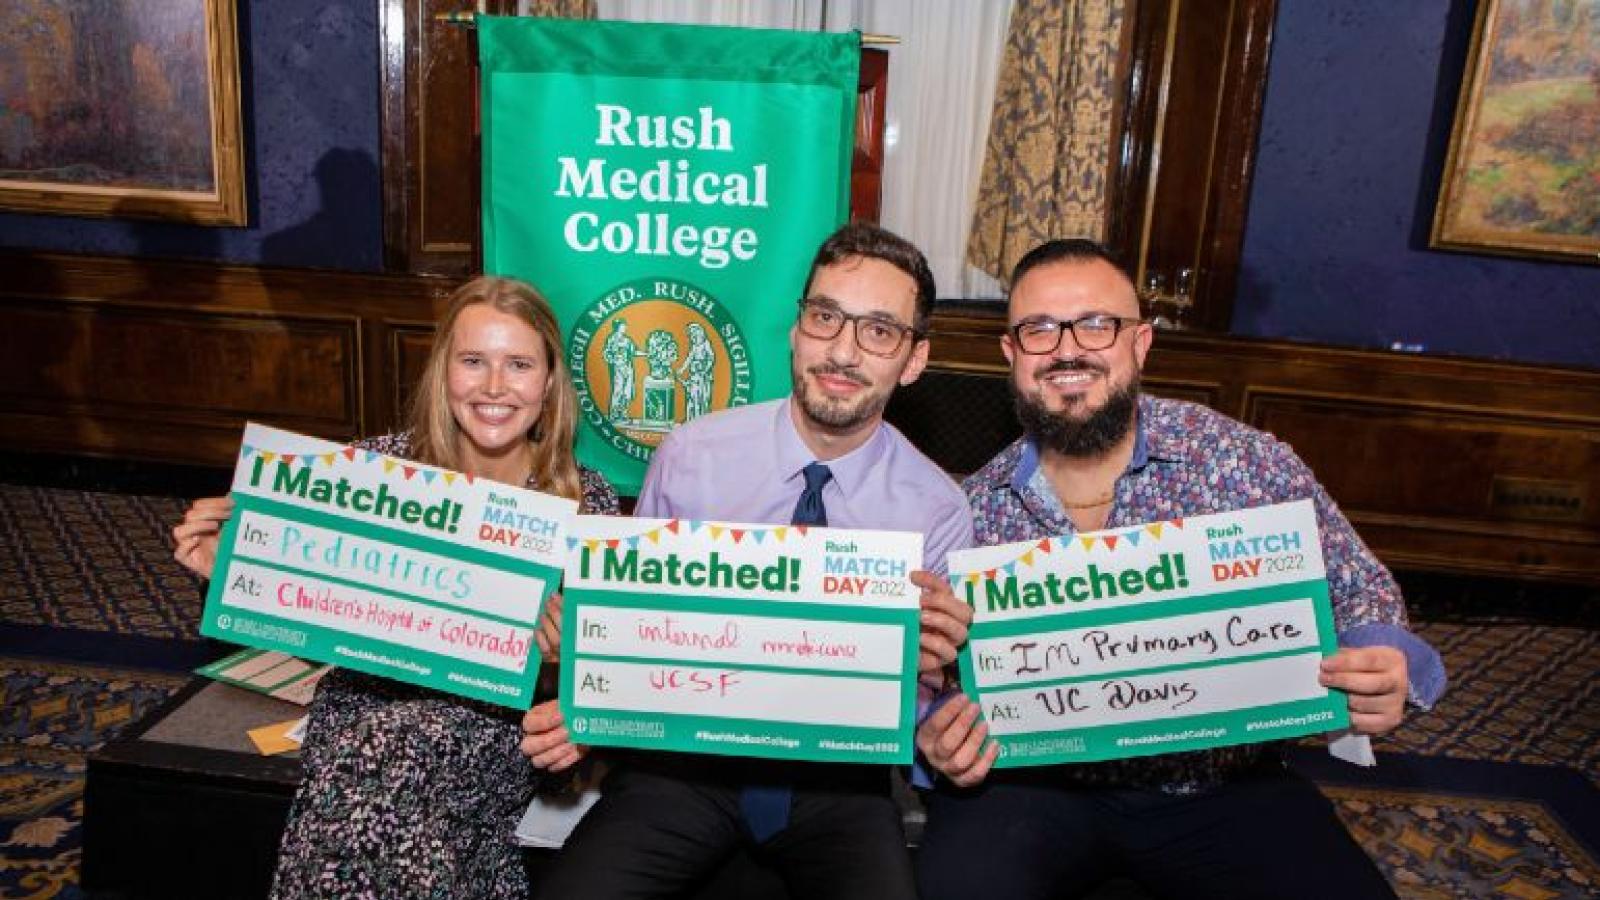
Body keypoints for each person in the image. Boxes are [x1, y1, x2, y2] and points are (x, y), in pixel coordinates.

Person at [914, 239, 1447, 900]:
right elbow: (944, 677)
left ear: (1140, 343)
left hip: (1218, 782)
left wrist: (1383, 658)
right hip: (1036, 788)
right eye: (1039, 329)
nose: (1067, 350)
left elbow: (1359, 587)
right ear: (1011, 354)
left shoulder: (1243, 462)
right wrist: (938, 731)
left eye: (1096, 324)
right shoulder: (972, 509)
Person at [526, 222, 976, 900]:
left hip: (839, 786)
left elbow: (921, 710)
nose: (843, 350)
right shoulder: (692, 455)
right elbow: (630, 629)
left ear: (913, 360)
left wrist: (937, 686)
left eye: (880, 331)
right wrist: (586, 700)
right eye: (826, 317)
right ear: (796, 329)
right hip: (684, 767)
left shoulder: (939, 509)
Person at [171, 276, 619, 900]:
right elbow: (304, 616)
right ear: (443, 373)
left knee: (395, 749)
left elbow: (595, 689)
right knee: (378, 749)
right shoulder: (376, 472)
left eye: (518, 365)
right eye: (473, 361)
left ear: (547, 384)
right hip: (364, 704)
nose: (494, 386)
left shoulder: (585, 504)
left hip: (492, 728)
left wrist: (560, 661)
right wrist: (225, 575)